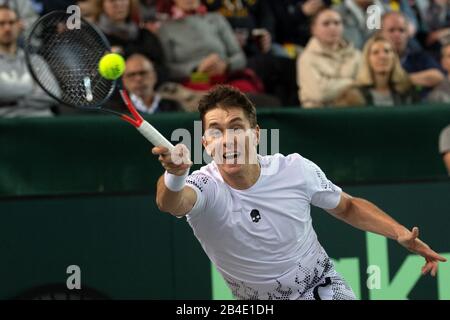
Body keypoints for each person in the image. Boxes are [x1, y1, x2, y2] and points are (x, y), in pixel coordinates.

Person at [152, 85, 446, 300]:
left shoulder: (294, 170)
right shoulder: (204, 186)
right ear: (205, 143)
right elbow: (172, 203)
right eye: (215, 131)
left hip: (322, 287)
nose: (227, 139)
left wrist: (399, 233)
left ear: (255, 135)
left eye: (236, 127)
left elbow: (347, 207)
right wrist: (175, 175)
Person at [297, 8, 361, 108]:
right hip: (317, 116)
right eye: (326, 24)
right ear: (313, 29)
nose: (332, 27)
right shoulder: (306, 58)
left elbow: (364, 89)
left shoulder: (356, 55)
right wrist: (351, 82)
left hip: (351, 113)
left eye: (337, 23)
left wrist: (330, 85)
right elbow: (319, 93)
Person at [0, 5, 55, 117]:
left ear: (19, 25)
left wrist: (10, 102)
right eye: (1, 23)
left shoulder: (36, 61)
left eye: (11, 23)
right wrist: (32, 88)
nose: (7, 28)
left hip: (42, 122)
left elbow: (53, 94)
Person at [334, 34, 419, 107]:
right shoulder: (353, 95)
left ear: (394, 58)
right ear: (367, 60)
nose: (382, 56)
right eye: (375, 52)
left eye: (387, 51)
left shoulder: (406, 90)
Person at [381, 11, 444, 97]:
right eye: (391, 30)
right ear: (381, 33)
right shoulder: (374, 58)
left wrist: (401, 80)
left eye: (401, 30)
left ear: (407, 34)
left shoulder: (419, 57)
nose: (397, 35)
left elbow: (438, 76)